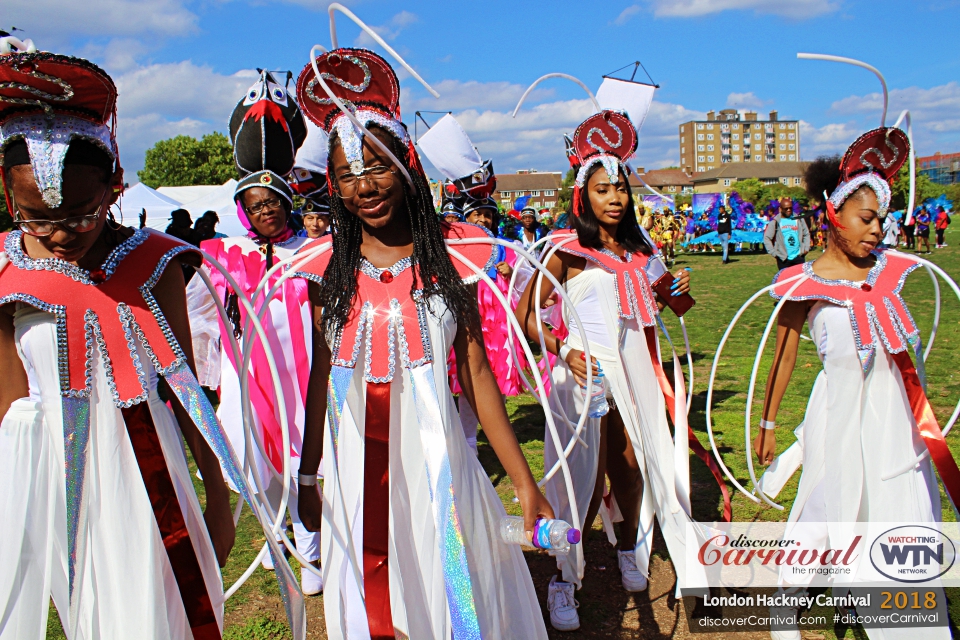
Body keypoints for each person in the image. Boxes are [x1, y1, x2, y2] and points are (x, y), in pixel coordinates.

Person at [292, 47, 552, 639]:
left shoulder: (451, 263)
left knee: (446, 594)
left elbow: (477, 375)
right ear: (333, 185)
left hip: (440, 466)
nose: (365, 186)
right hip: (356, 467)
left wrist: (522, 480)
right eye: (349, 174)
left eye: (378, 166)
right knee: (373, 599)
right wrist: (310, 476)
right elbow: (318, 379)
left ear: (407, 165)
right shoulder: (322, 271)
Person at [0, 50, 235, 639]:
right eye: (36, 219)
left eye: (80, 215)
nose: (57, 236)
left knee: (165, 615)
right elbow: (9, 410)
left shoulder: (156, 264)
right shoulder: (6, 277)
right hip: (56, 484)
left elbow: (185, 389)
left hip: (151, 476)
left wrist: (218, 494)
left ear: (114, 186)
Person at [515, 107, 718, 632]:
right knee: (582, 480)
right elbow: (526, 318)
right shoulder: (566, 250)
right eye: (604, 189)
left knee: (632, 466)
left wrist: (677, 289)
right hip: (584, 378)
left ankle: (629, 548)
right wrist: (564, 351)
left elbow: (673, 306)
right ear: (585, 195)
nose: (616, 198)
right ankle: (565, 576)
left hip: (637, 377)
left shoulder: (641, 250)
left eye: (621, 189)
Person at [752, 130, 954, 640]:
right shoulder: (801, 282)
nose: (876, 230)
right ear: (834, 215)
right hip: (837, 411)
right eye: (866, 219)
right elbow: (785, 353)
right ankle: (788, 607)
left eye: (881, 220)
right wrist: (769, 422)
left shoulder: (893, 271)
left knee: (897, 506)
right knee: (826, 505)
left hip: (894, 419)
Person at [186, 69, 323, 596]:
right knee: (255, 467)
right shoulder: (221, 255)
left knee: (301, 464)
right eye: (255, 205)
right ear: (243, 210)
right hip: (249, 381)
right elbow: (200, 318)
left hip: (303, 378)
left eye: (273, 203)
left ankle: (308, 551)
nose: (265, 211)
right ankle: (273, 540)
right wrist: (210, 373)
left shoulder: (312, 253)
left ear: (287, 204)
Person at [763, 196, 810, 270]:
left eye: (790, 208)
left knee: (799, 280)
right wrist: (774, 253)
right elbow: (767, 238)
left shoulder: (799, 219)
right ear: (780, 209)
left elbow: (806, 234)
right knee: (785, 280)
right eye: (786, 208)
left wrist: (806, 248)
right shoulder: (775, 222)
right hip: (783, 259)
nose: (788, 210)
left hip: (799, 257)